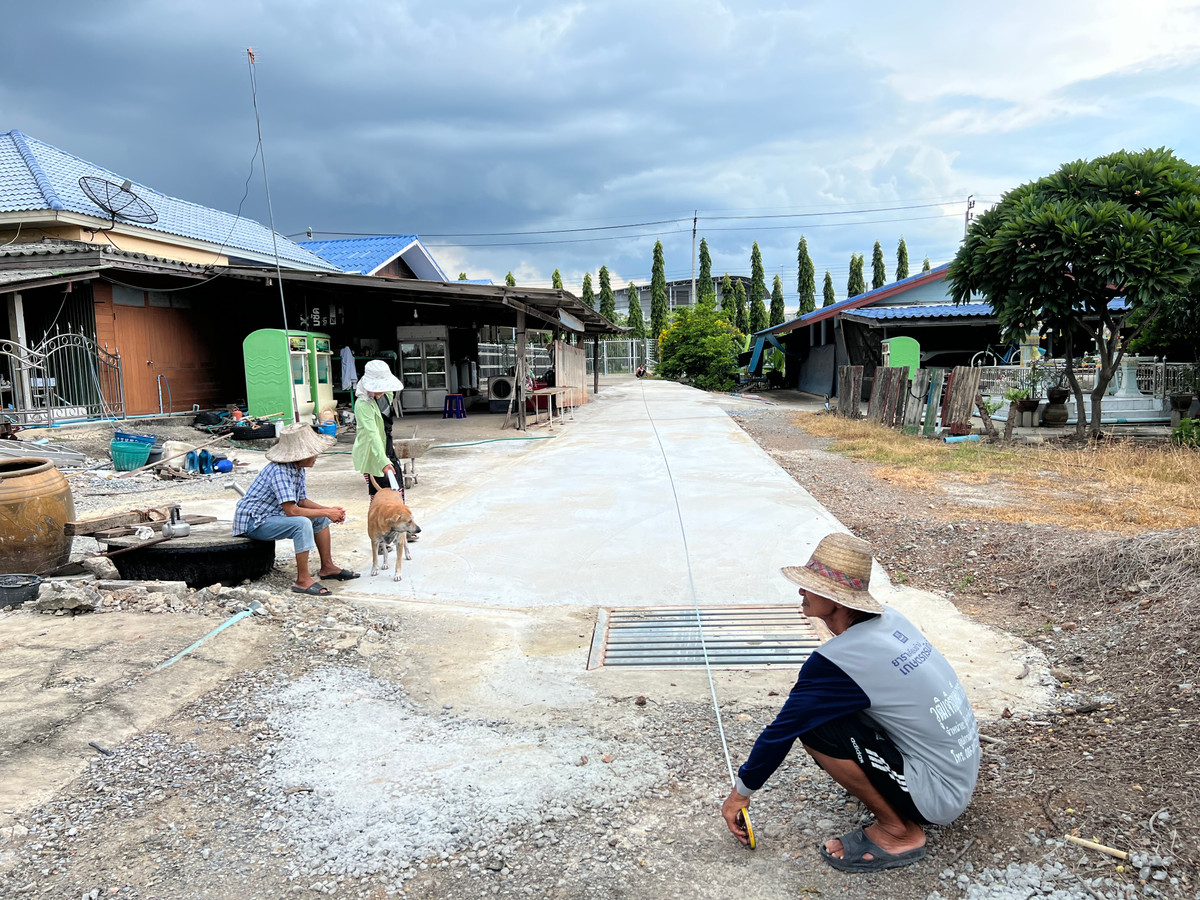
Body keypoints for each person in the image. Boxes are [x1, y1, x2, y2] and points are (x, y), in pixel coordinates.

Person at [721, 533, 979, 872]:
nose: (801, 591)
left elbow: (781, 731)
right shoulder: (891, 620)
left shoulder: (838, 662)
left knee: (817, 729)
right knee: (829, 711)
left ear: (837, 602)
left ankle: (898, 832)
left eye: (811, 586)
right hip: (959, 768)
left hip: (939, 794)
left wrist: (740, 793)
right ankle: (891, 794)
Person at [232, 423, 359, 596]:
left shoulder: (297, 468)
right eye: (313, 453)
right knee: (301, 523)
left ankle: (327, 567)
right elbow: (292, 511)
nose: (316, 456)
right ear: (301, 455)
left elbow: (302, 501)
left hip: (270, 517)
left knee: (320, 518)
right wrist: (327, 512)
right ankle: (302, 580)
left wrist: (328, 511)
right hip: (254, 522)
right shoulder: (280, 471)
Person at [351, 360, 416, 539]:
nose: (380, 391)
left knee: (398, 491)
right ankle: (380, 536)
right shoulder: (363, 404)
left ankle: (403, 529)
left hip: (387, 447)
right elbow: (372, 436)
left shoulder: (386, 394)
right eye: (376, 388)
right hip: (372, 455)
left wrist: (388, 457)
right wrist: (383, 462)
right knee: (379, 497)